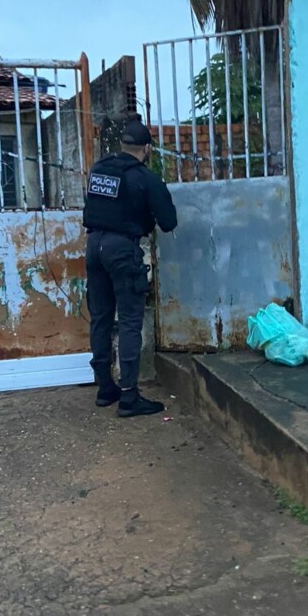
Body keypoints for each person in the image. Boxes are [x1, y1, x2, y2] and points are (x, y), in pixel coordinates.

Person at [84, 117, 177, 417]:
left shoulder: (99, 169)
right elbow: (169, 222)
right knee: (129, 320)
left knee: (100, 317)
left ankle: (104, 388)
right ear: (147, 149)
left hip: (93, 246)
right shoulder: (145, 178)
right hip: (122, 250)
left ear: (122, 145)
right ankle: (129, 396)